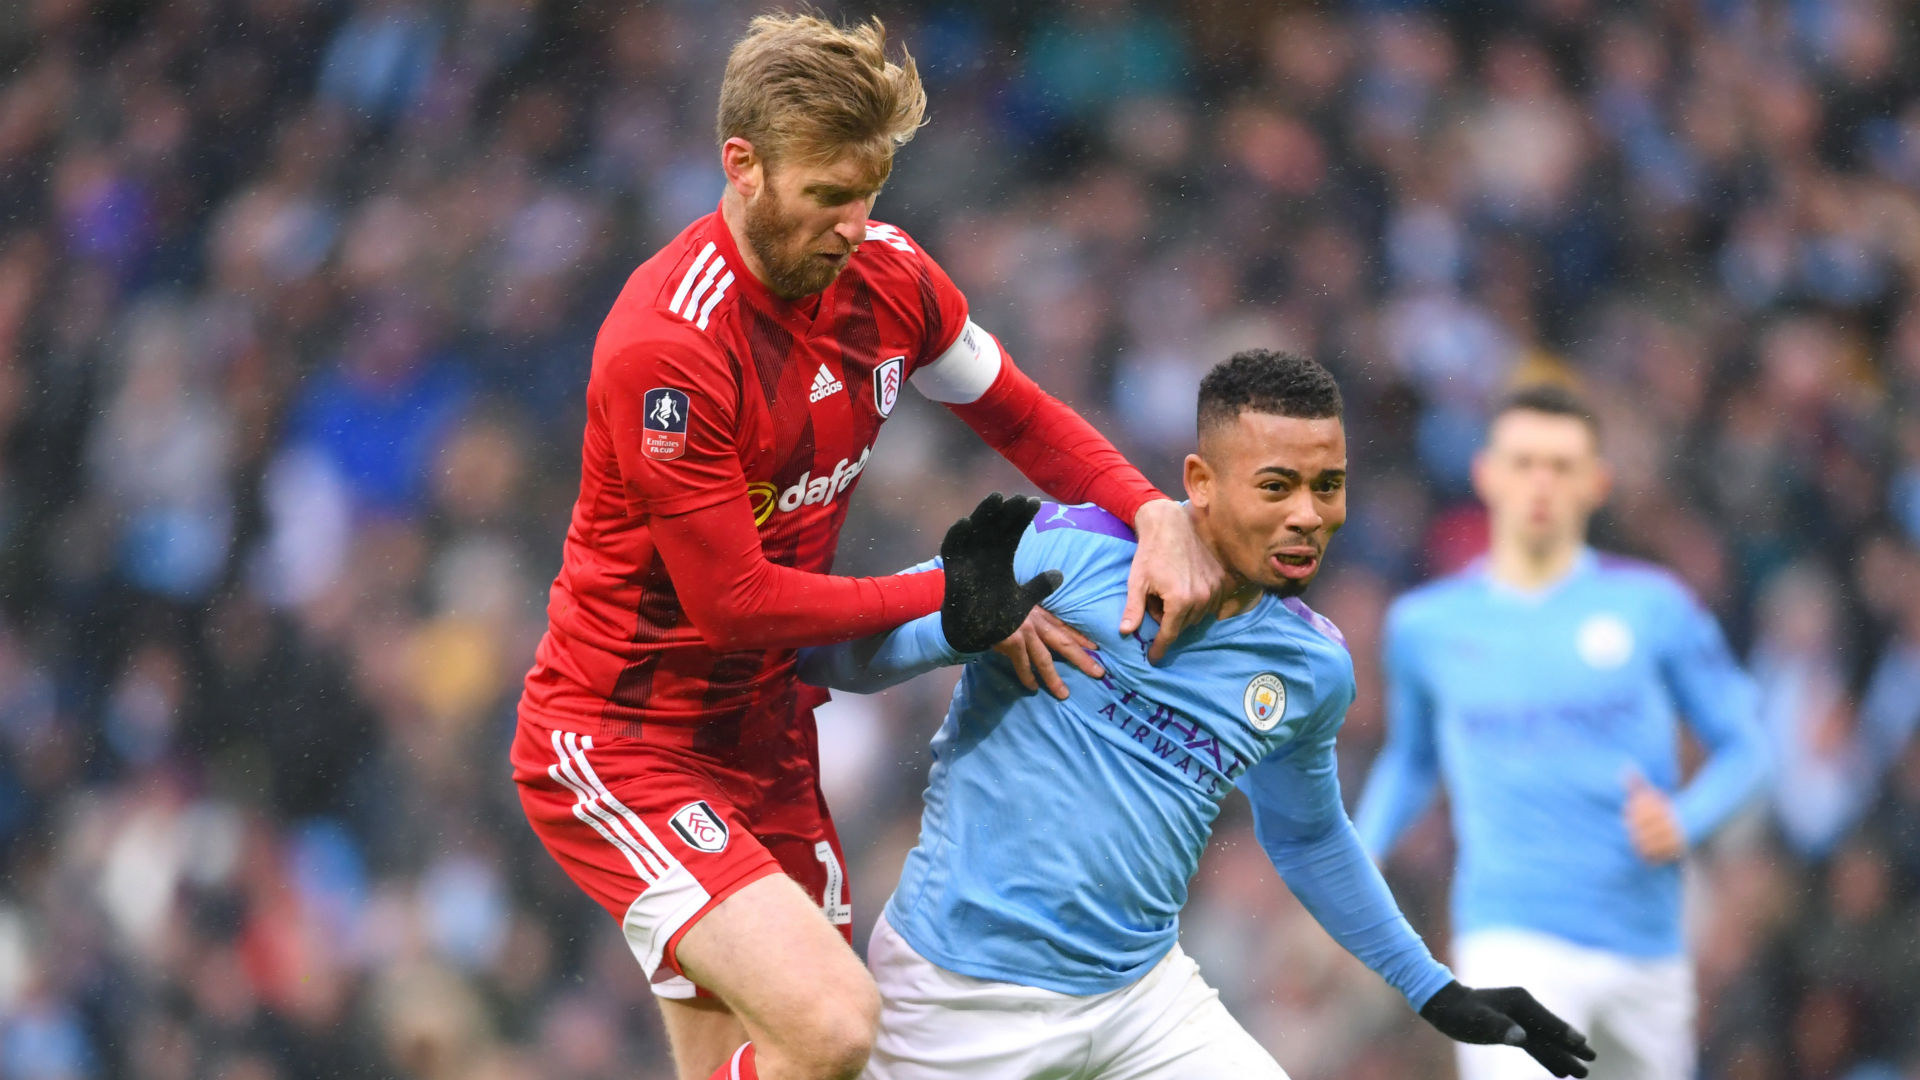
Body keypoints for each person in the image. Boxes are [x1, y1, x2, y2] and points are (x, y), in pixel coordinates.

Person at [508, 14, 1226, 1080]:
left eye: (870, 193)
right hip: (626, 739)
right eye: (827, 196)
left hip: (765, 736)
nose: (853, 225)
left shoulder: (892, 279)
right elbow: (734, 604)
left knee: (767, 1057)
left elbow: (1017, 413)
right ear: (742, 166)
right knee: (839, 1031)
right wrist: (946, 597)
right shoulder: (672, 347)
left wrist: (1147, 507)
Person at [797, 351, 1597, 1080]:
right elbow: (821, 659)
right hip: (958, 998)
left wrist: (1432, 988)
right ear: (1201, 481)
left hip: (1143, 1002)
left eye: (1328, 485)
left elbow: (1309, 834)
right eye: (1277, 486)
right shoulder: (1064, 548)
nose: (1309, 514)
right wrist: (955, 629)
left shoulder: (1311, 665)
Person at [1352, 385, 1771, 1080]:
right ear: (1487, 474)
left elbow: (1747, 745)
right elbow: (1413, 759)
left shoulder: (1653, 607)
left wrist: (1686, 820)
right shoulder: (1426, 627)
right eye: (1523, 463)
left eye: (1561, 465)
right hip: (1509, 932)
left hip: (1645, 944)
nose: (1541, 482)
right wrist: (1360, 851)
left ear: (1596, 482)